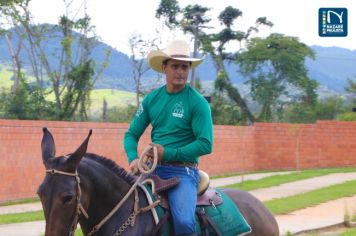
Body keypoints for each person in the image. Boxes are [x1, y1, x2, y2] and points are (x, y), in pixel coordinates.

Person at [123, 39, 213, 236]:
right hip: (151, 169)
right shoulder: (151, 99)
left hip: (183, 172)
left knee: (183, 223)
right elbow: (131, 134)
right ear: (165, 67)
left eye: (184, 67)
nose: (180, 71)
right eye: (175, 66)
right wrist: (133, 158)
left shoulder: (197, 103)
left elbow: (206, 144)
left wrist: (168, 153)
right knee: (121, 211)